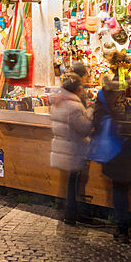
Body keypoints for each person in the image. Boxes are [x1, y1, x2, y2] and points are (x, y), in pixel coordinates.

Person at [94, 81, 131, 243]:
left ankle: (123, 230)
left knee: (119, 191)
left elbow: (96, 123)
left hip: (115, 151)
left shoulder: (104, 98)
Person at [50, 72, 92, 226]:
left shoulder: (58, 102)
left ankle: (68, 213)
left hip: (63, 148)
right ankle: (71, 215)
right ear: (76, 90)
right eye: (81, 87)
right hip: (73, 149)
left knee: (69, 182)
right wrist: (91, 113)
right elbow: (84, 128)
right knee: (73, 183)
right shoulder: (74, 106)